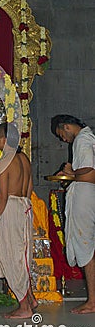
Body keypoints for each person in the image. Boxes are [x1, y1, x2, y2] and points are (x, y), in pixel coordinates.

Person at [0, 123, 37, 318]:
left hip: (10, 208)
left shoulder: (4, 161)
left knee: (11, 255)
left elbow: (3, 196)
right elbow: (30, 188)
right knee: (22, 254)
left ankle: (24, 307)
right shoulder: (24, 158)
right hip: (24, 206)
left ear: (4, 139)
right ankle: (30, 298)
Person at [51, 114, 95, 314]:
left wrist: (70, 174)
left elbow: (90, 173)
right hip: (85, 195)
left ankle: (92, 301)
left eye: (61, 134)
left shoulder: (83, 140)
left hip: (85, 198)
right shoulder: (85, 138)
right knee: (86, 245)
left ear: (67, 126)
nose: (62, 140)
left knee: (85, 245)